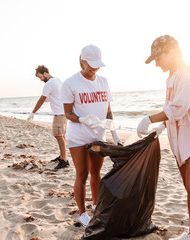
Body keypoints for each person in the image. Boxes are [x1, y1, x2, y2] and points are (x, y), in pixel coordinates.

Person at [137, 35, 190, 240]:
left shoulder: (187, 75)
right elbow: (172, 111)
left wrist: (149, 119)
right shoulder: (172, 78)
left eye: (158, 58)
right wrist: (161, 126)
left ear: (172, 52)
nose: (156, 63)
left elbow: (178, 108)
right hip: (181, 142)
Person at [61, 45, 122, 227]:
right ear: (82, 60)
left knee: (96, 173)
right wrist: (82, 119)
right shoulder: (70, 83)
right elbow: (67, 113)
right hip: (78, 136)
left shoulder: (103, 82)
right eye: (91, 64)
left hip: (98, 136)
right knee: (82, 174)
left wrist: (114, 132)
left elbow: (108, 110)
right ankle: (82, 214)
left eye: (97, 65)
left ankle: (96, 206)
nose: (94, 68)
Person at [27, 65, 69, 169]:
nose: (40, 80)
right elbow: (57, 95)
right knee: (61, 135)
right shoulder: (57, 80)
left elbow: (41, 99)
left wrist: (33, 113)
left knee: (59, 136)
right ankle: (62, 156)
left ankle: (64, 160)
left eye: (40, 77)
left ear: (45, 73)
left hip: (59, 114)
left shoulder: (49, 83)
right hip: (64, 112)